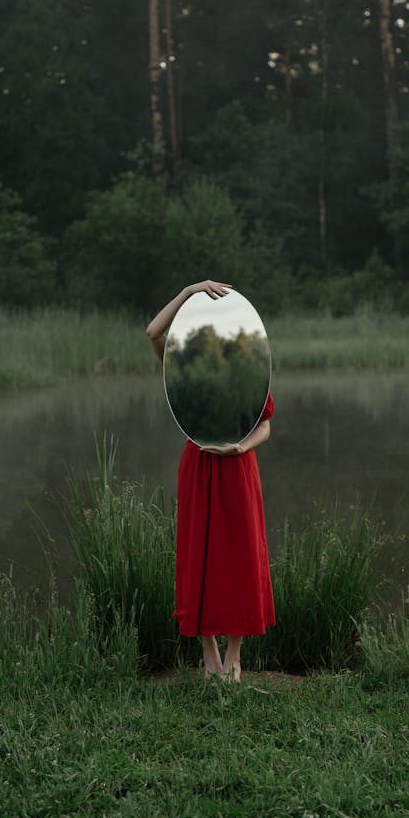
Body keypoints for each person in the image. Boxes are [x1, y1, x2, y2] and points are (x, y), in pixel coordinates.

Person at [146, 279, 276, 683]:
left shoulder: (250, 372)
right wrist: (187, 292)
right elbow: (153, 332)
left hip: (238, 467)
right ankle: (208, 650)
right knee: (198, 554)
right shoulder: (184, 368)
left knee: (239, 556)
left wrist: (241, 448)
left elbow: (265, 427)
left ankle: (235, 655)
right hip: (200, 465)